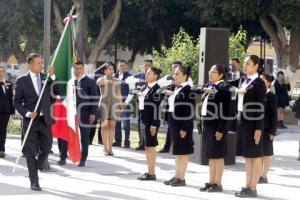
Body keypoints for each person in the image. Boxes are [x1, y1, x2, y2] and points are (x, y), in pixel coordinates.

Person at [14, 53, 59, 191]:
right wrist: (27, 113)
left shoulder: (46, 78)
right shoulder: (22, 80)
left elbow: (57, 92)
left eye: (42, 63)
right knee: (30, 152)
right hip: (30, 121)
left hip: (45, 119)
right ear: (30, 65)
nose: (42, 65)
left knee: (47, 148)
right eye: (39, 63)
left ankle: (39, 164)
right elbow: (16, 102)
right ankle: (34, 182)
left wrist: (52, 77)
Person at [231, 55, 266, 198]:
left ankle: (253, 187)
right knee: (247, 156)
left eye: (248, 63)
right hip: (242, 121)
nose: (244, 66)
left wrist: (258, 128)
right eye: (244, 63)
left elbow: (260, 107)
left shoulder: (259, 83)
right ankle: (247, 186)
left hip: (253, 123)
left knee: (255, 156)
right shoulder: (242, 80)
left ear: (256, 65)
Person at [57, 61, 98, 167]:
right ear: (73, 69)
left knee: (84, 137)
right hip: (71, 113)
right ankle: (63, 157)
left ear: (83, 69)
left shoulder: (90, 82)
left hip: (85, 113)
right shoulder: (70, 82)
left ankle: (83, 158)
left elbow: (95, 99)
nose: (78, 70)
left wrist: (93, 113)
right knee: (66, 135)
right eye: (76, 68)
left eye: (80, 68)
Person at [199, 65, 231, 192]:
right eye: (209, 71)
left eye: (213, 72)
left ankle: (218, 183)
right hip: (208, 125)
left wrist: (220, 129)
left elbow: (226, 111)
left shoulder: (224, 88)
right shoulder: (210, 86)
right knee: (211, 155)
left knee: (218, 155)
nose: (210, 74)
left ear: (221, 75)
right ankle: (212, 181)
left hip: (217, 126)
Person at [163, 66, 195, 187]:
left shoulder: (188, 90)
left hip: (182, 124)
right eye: (174, 74)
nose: (174, 76)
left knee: (183, 151)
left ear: (185, 76)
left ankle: (181, 177)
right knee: (177, 151)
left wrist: (184, 128)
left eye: (177, 74)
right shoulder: (174, 87)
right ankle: (177, 175)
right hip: (173, 121)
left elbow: (189, 110)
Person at [137, 67, 164, 181]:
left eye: (149, 73)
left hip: (152, 121)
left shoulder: (158, 89)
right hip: (144, 119)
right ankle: (149, 171)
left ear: (155, 76)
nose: (146, 75)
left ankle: (152, 173)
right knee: (147, 147)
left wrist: (154, 124)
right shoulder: (144, 87)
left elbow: (157, 108)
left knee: (151, 147)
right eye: (146, 73)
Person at [97, 62, 122, 156]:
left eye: (112, 69)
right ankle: (105, 147)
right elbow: (99, 83)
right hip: (104, 104)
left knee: (112, 126)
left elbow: (119, 94)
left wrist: (121, 104)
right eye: (109, 69)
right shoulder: (101, 78)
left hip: (114, 104)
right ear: (105, 71)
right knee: (104, 126)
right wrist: (108, 81)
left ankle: (110, 149)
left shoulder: (117, 80)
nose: (111, 71)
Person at [159, 61, 183, 153]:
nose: (174, 69)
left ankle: (175, 146)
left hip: (180, 108)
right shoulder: (169, 78)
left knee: (178, 128)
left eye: (177, 67)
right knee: (170, 126)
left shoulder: (187, 80)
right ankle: (167, 146)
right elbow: (159, 83)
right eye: (173, 67)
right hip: (170, 107)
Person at [259, 73, 277, 184]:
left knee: (267, 153)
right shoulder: (259, 94)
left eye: (263, 81)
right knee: (259, 153)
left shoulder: (271, 95)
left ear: (268, 82)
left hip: (267, 129)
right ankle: (259, 173)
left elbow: (273, 115)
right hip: (258, 128)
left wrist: (272, 131)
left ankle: (264, 176)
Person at [134, 59, 153, 150]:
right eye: (145, 65)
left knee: (148, 123)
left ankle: (148, 143)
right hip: (140, 102)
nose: (147, 67)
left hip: (150, 104)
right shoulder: (139, 75)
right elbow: (130, 80)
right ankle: (141, 143)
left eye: (149, 65)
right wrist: (139, 81)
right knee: (140, 123)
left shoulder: (155, 76)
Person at [113, 60, 131, 148]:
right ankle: (117, 141)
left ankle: (127, 141)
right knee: (117, 123)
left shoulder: (130, 77)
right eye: (120, 66)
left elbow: (131, 91)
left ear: (126, 66)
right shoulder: (114, 76)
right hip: (115, 103)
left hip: (125, 103)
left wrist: (125, 102)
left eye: (123, 66)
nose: (122, 67)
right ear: (118, 67)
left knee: (126, 123)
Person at [0, 65, 15, 158]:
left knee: (3, 130)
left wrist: (12, 110)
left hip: (6, 111)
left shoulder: (9, 83)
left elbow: (11, 98)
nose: (1, 73)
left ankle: (2, 150)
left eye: (2, 71)